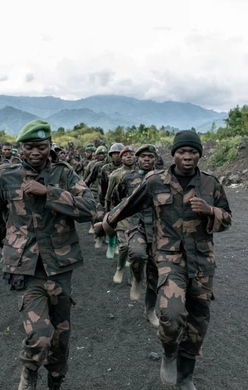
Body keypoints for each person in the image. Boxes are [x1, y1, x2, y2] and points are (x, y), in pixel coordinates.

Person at [95, 130, 231, 390]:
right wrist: (106, 223)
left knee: (199, 317)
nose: (187, 157)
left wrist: (210, 211)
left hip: (202, 260)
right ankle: (169, 352)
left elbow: (227, 219)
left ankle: (186, 375)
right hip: (169, 258)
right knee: (171, 313)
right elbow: (129, 205)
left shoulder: (211, 184)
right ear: (174, 155)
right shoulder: (156, 182)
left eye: (192, 152)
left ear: (200, 155)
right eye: (182, 152)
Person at [0, 120, 96, 390]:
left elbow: (89, 208)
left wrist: (49, 193)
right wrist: (9, 247)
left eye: (42, 146)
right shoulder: (5, 175)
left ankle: (56, 381)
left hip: (60, 266)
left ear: (50, 147)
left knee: (61, 340)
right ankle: (29, 371)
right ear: (19, 148)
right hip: (26, 268)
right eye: (29, 147)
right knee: (40, 335)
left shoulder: (65, 174)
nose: (35, 152)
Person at [112, 144, 160, 327]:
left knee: (155, 273)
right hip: (136, 225)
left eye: (150, 156)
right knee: (137, 254)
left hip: (157, 229)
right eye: (143, 156)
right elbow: (119, 200)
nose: (147, 159)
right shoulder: (127, 178)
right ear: (138, 159)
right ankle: (137, 278)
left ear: (155, 159)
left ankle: (150, 310)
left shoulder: (161, 178)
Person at [104, 145, 136, 273]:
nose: (129, 157)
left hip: (138, 214)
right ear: (122, 158)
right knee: (124, 245)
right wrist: (107, 217)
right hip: (121, 213)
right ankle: (120, 267)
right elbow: (108, 196)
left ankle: (133, 276)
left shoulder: (142, 173)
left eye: (131, 154)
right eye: (125, 155)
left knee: (137, 248)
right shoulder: (115, 175)